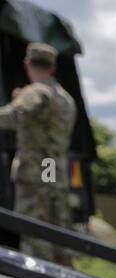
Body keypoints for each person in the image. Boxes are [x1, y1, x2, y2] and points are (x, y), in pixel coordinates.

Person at [0, 43, 77, 266]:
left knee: (33, 226)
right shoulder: (65, 99)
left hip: (35, 167)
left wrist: (17, 102)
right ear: (52, 68)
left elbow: (13, 116)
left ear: (28, 64)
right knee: (56, 225)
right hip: (52, 168)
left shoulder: (35, 92)